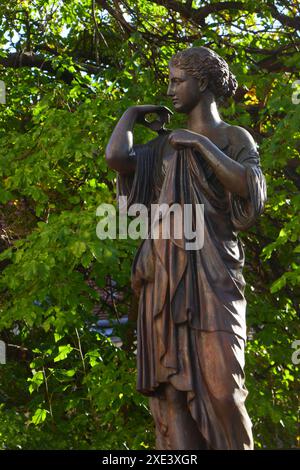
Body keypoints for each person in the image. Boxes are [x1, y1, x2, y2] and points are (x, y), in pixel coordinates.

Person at [105, 46, 266, 450]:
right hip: (164, 275)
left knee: (223, 391)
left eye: (178, 80)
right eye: (170, 80)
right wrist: (131, 114)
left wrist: (198, 145)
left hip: (215, 276)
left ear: (204, 82)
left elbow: (249, 187)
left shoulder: (232, 138)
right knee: (170, 394)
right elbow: (116, 157)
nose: (171, 89)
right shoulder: (162, 147)